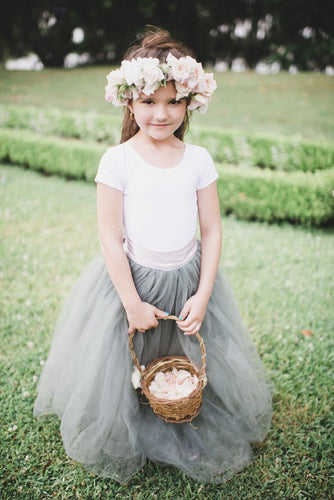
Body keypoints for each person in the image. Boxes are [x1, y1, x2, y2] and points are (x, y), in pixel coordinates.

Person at [34, 27, 273, 484]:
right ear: (129, 103)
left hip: (188, 275)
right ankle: (130, 407)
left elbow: (212, 229)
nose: (161, 114)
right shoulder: (118, 160)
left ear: (189, 103)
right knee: (128, 355)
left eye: (172, 102)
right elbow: (109, 236)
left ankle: (180, 400)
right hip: (133, 281)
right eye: (148, 102)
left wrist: (202, 294)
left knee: (184, 352)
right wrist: (131, 302)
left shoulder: (198, 159)